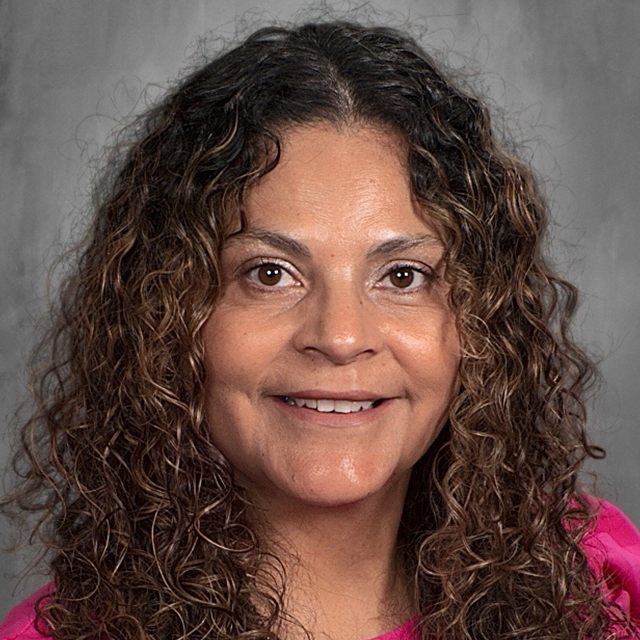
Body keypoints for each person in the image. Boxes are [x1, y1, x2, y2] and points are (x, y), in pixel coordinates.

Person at [1, 19, 639, 640]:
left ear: (484, 321)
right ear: (164, 318)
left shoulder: (597, 585)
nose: (340, 337)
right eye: (271, 274)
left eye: (403, 276)